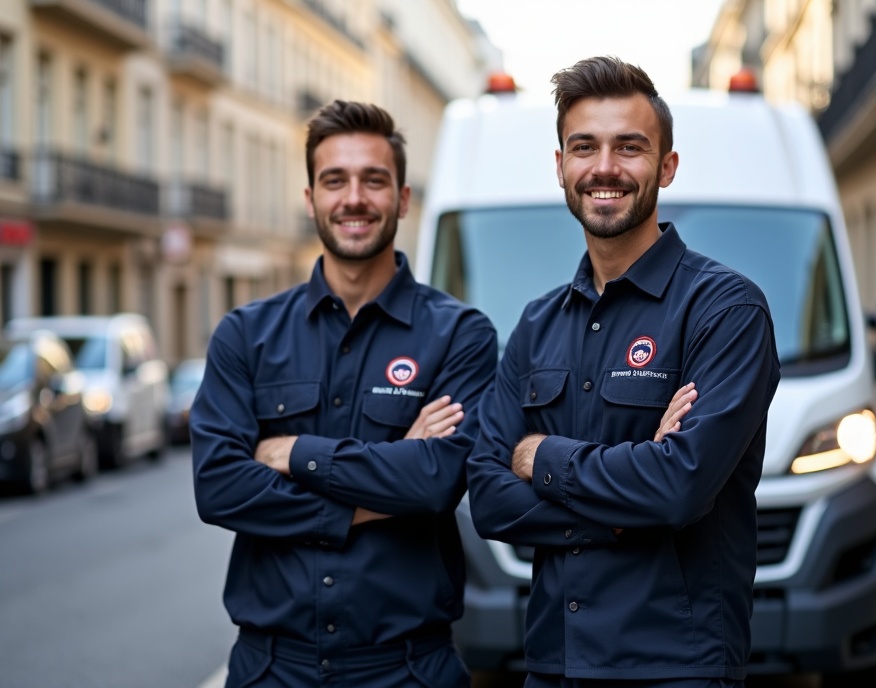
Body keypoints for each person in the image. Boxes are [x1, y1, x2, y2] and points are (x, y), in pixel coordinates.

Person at [466, 56, 781, 688]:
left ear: (666, 166)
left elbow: (680, 488)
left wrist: (539, 454)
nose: (604, 167)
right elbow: (489, 500)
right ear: (561, 167)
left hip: (677, 670)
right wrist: (638, 486)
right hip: (552, 665)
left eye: (629, 147)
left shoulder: (726, 309)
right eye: (584, 147)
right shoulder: (537, 323)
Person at [190, 100, 499, 687]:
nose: (354, 198)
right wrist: (381, 486)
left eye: (374, 180)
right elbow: (220, 487)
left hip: (407, 671)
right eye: (335, 180)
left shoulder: (460, 334)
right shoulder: (246, 335)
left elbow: (437, 481)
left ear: (403, 199)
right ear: (311, 199)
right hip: (270, 670)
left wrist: (292, 453)